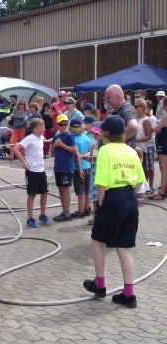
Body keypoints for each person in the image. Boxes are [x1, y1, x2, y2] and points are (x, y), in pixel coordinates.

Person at [83, 115, 145, 308]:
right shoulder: (131, 150)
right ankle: (129, 293)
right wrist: (130, 197)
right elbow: (140, 181)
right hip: (130, 200)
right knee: (123, 247)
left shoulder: (105, 151)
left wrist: (102, 205)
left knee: (97, 240)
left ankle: (100, 284)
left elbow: (101, 182)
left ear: (105, 133)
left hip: (112, 199)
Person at [14, 118, 50, 227]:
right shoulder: (29, 138)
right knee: (32, 195)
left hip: (41, 169)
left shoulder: (41, 137)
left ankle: (43, 215)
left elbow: (46, 141)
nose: (44, 129)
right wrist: (24, 161)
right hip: (32, 170)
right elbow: (16, 149)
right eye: (42, 127)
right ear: (35, 129)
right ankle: (30, 218)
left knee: (44, 193)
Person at [52, 114, 84, 222]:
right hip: (58, 167)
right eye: (61, 124)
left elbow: (74, 150)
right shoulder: (56, 137)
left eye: (66, 124)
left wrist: (61, 145)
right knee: (61, 189)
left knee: (65, 189)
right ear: (58, 125)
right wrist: (55, 145)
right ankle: (64, 211)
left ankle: (67, 212)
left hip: (67, 167)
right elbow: (53, 152)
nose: (64, 126)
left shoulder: (70, 136)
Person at [69, 118, 92, 218]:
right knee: (87, 190)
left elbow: (75, 155)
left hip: (78, 168)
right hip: (88, 166)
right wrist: (84, 156)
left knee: (80, 191)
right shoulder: (86, 138)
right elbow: (91, 151)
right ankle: (87, 207)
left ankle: (80, 210)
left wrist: (80, 158)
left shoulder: (72, 139)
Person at [134, 99, 155, 194]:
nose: (135, 108)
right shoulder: (134, 119)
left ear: (142, 107)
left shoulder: (146, 120)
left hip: (142, 148)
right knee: (137, 169)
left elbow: (148, 136)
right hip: (134, 147)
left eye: (136, 106)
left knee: (144, 169)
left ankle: (146, 188)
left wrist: (136, 140)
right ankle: (140, 189)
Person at [151, 96, 167, 200]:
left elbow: (157, 129)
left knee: (163, 168)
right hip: (164, 141)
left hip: (164, 142)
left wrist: (154, 128)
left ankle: (162, 192)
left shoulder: (165, 115)